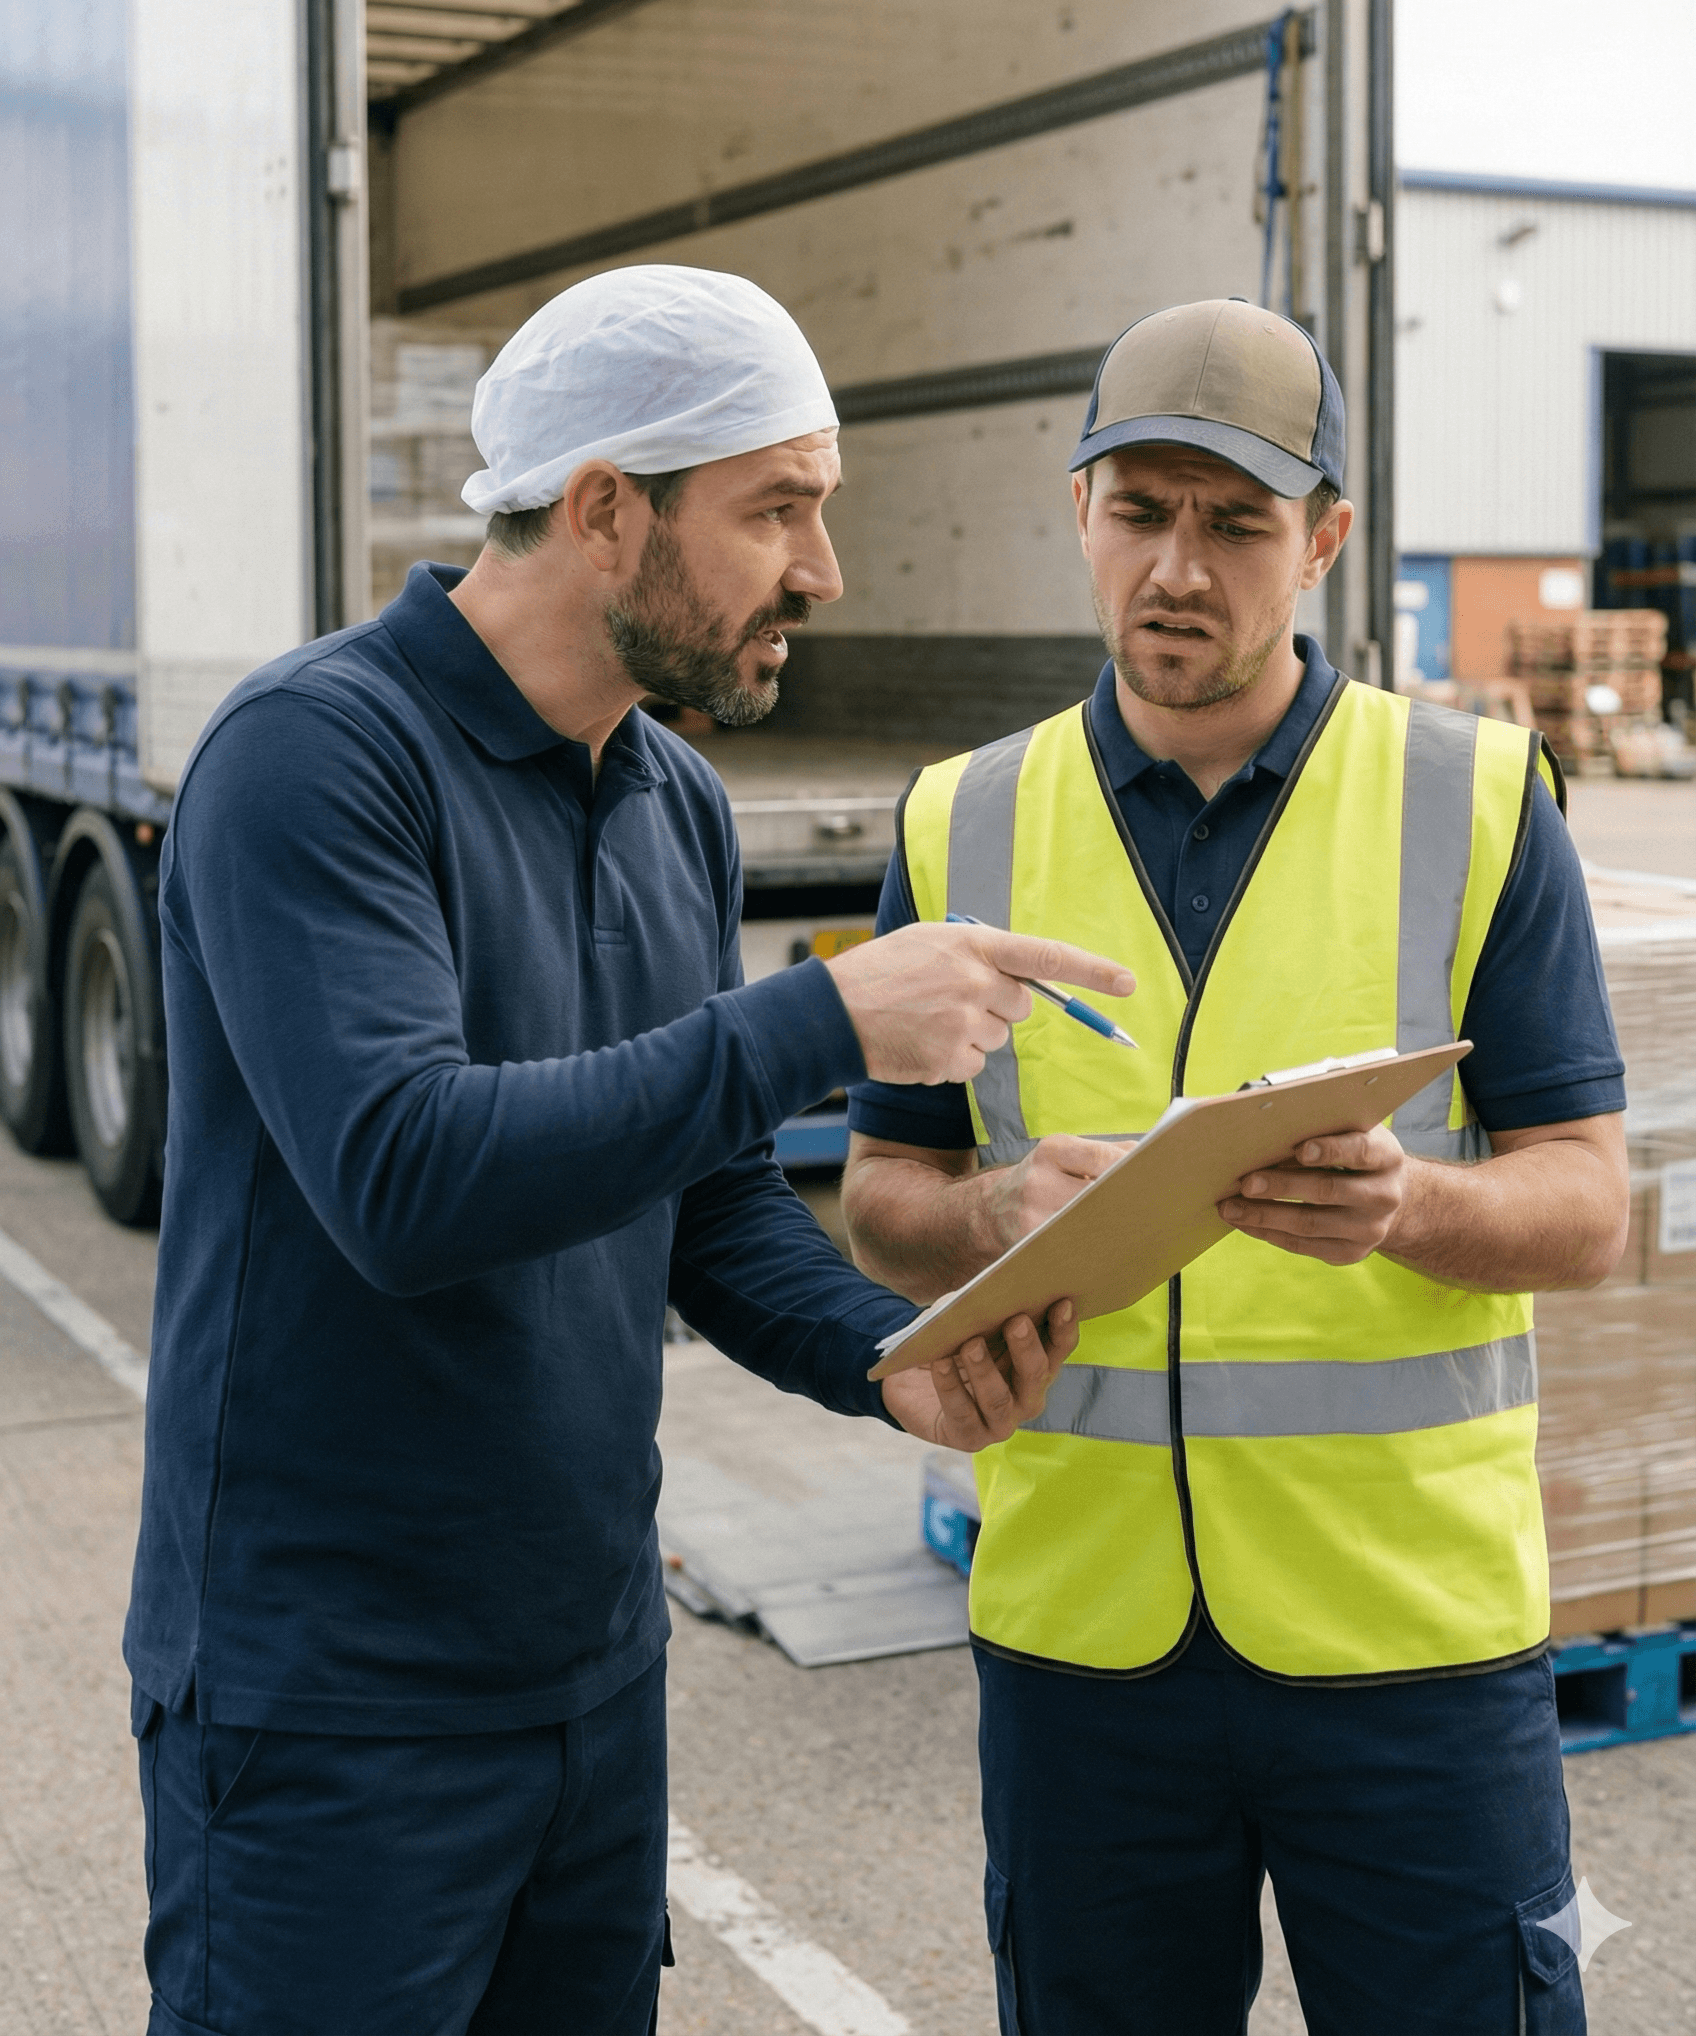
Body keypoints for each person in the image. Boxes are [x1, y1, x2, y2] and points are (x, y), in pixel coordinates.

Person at [126, 264, 1128, 2036]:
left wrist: (887, 1361)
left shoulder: (670, 804)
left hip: (589, 1691)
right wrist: (826, 1019)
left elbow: (708, 1196)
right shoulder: (316, 760)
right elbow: (403, 1178)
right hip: (330, 1715)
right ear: (604, 510)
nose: (821, 571)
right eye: (777, 510)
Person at [842, 297, 1629, 2036]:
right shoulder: (959, 820)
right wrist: (983, 1213)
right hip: (1084, 1648)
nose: (1178, 570)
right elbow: (881, 1195)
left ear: (1325, 540)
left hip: (1407, 1645)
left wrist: (1413, 1204)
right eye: (1141, 512)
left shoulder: (1479, 799)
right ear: (1080, 515)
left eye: (1236, 522)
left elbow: (1589, 1207)